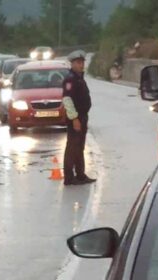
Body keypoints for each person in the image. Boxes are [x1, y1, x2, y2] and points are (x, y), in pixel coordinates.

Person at [62, 50, 96, 185]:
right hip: (75, 118)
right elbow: (67, 100)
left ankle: (80, 175)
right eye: (78, 63)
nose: (81, 65)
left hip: (82, 117)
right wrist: (74, 119)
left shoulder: (79, 78)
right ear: (72, 64)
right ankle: (69, 177)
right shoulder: (70, 79)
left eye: (82, 62)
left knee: (79, 147)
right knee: (72, 148)